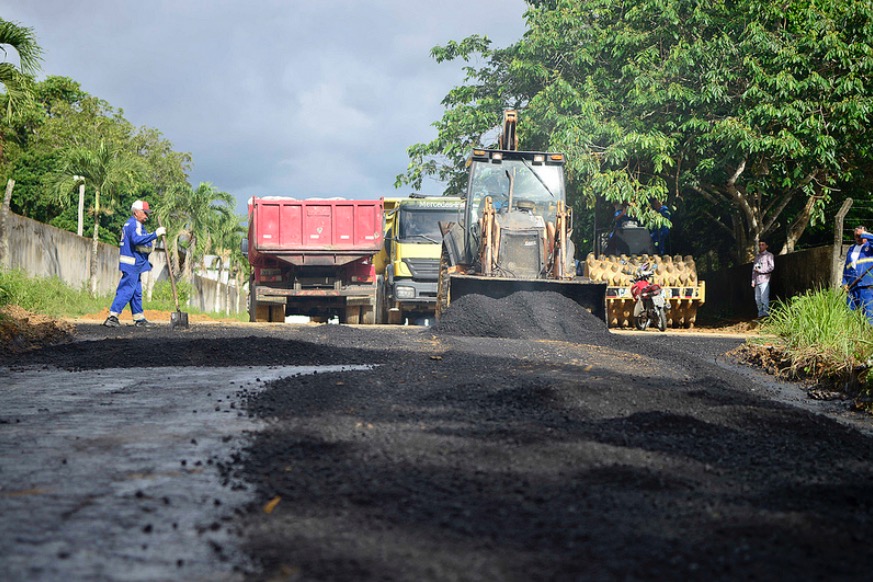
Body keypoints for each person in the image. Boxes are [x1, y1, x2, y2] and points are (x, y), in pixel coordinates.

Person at [103, 200, 166, 328]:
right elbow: (137, 240)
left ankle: (139, 318)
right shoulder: (134, 224)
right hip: (131, 264)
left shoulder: (136, 225)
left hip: (135, 264)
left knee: (136, 291)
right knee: (127, 289)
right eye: (145, 212)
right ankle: (112, 317)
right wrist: (155, 234)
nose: (147, 215)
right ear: (136, 212)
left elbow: (142, 244)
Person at [842, 226, 873, 324]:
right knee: (849, 316)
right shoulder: (851, 248)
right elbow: (847, 267)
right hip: (852, 287)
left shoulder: (870, 246)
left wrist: (864, 234)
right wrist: (844, 282)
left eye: (860, 236)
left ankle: (868, 332)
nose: (859, 238)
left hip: (866, 286)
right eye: (856, 236)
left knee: (868, 315)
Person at [751, 239, 774, 319]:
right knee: (757, 298)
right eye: (760, 245)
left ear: (766, 246)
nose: (761, 246)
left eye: (762, 245)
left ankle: (766, 314)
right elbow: (754, 270)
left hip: (765, 279)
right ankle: (760, 314)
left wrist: (761, 270)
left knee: (764, 297)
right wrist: (753, 281)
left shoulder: (769, 255)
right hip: (757, 280)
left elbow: (771, 267)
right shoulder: (757, 257)